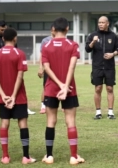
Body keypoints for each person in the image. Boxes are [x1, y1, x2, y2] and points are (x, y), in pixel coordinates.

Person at [41, 17, 85, 165]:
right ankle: (73, 156)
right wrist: (65, 86)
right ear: (67, 29)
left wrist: (59, 84)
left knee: (50, 121)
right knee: (70, 121)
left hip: (51, 88)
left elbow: (46, 68)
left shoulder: (46, 46)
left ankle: (49, 156)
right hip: (69, 88)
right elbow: (72, 67)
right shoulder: (73, 45)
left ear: (53, 29)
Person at [0, 28, 36, 164]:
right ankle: (25, 157)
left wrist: (4, 95)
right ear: (15, 38)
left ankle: (5, 156)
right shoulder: (20, 53)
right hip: (19, 96)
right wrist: (12, 96)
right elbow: (20, 76)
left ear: (3, 39)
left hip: (3, 97)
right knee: (22, 123)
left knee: (4, 123)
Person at [0, 21, 35, 115]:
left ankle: (19, 104)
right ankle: (3, 104)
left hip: (11, 66)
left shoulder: (16, 49)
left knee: (16, 82)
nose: (3, 30)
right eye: (2, 29)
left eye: (5, 29)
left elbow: (15, 51)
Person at [85, 16, 118, 119]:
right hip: (97, 67)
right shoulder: (93, 35)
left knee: (109, 88)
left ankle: (110, 112)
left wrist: (112, 54)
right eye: (99, 22)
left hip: (109, 67)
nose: (100, 24)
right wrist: (93, 42)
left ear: (107, 23)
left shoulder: (113, 36)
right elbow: (87, 49)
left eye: (102, 22)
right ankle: (98, 112)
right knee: (98, 88)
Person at [37, 27, 55, 114]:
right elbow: (42, 54)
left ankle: (64, 105)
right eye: (53, 29)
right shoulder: (45, 40)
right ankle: (43, 105)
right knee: (46, 86)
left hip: (58, 67)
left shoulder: (62, 40)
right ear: (51, 30)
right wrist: (41, 67)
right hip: (48, 67)